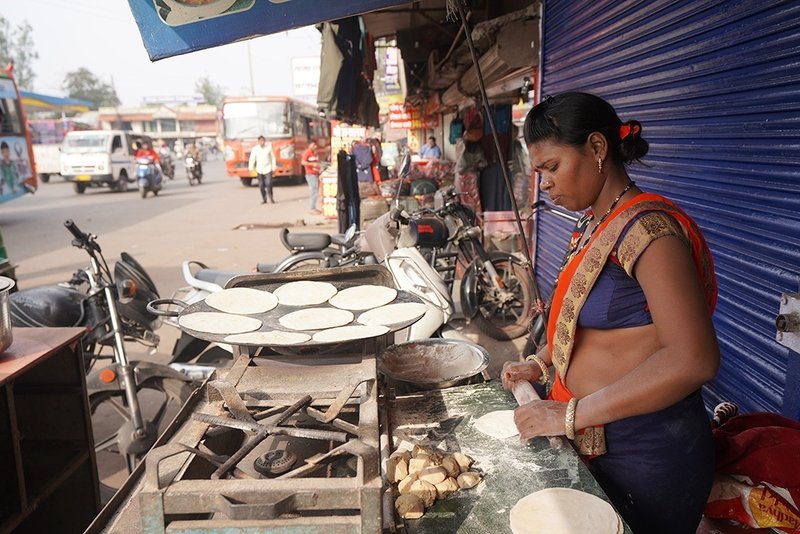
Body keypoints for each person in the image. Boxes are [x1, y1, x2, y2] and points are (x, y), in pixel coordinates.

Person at [501, 92, 719, 534]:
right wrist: (541, 362)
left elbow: (693, 359)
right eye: (538, 170)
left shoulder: (650, 231)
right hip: (591, 441)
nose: (544, 184)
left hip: (646, 453)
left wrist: (566, 415)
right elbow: (579, 323)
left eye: (552, 167)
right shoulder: (591, 226)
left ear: (597, 149)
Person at [249, 135, 275, 204]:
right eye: (260, 141)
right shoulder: (255, 149)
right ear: (258, 142)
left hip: (268, 168)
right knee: (261, 185)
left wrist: (274, 167)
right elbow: (252, 159)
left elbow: (272, 158)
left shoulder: (268, 148)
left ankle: (271, 196)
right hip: (259, 169)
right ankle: (264, 198)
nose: (262, 142)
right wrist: (251, 168)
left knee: (269, 183)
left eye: (263, 141)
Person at [301, 141, 321, 213]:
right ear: (310, 145)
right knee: (313, 190)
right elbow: (303, 162)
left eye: (315, 145)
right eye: (313, 145)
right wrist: (312, 164)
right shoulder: (307, 152)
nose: (315, 146)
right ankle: (312, 208)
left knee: (315, 190)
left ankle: (314, 207)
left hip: (316, 173)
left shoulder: (314, 153)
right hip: (310, 174)